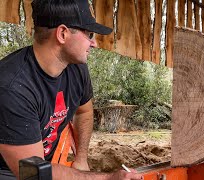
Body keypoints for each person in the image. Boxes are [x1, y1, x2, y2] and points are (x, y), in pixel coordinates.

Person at [0, 0, 143, 179]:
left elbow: (84, 111)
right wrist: (108, 178)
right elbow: (32, 173)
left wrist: (81, 158)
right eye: (89, 34)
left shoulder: (75, 68)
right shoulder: (11, 88)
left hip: (39, 166)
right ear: (62, 34)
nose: (94, 43)